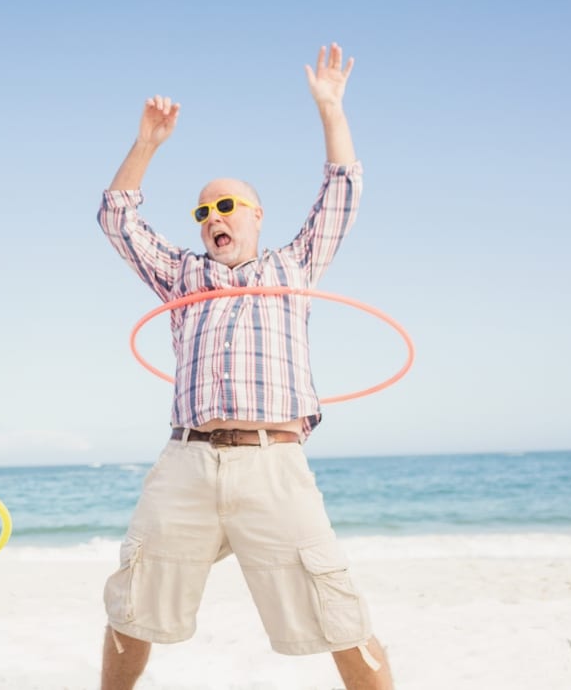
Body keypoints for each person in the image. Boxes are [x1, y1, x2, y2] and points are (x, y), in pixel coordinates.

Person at [96, 44, 393, 689]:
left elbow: (342, 192)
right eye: (203, 212)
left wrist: (331, 110)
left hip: (272, 462)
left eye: (226, 207)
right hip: (188, 461)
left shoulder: (292, 268)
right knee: (132, 606)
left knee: (337, 610)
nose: (213, 219)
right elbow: (117, 218)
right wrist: (147, 142)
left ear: (257, 217)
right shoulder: (182, 276)